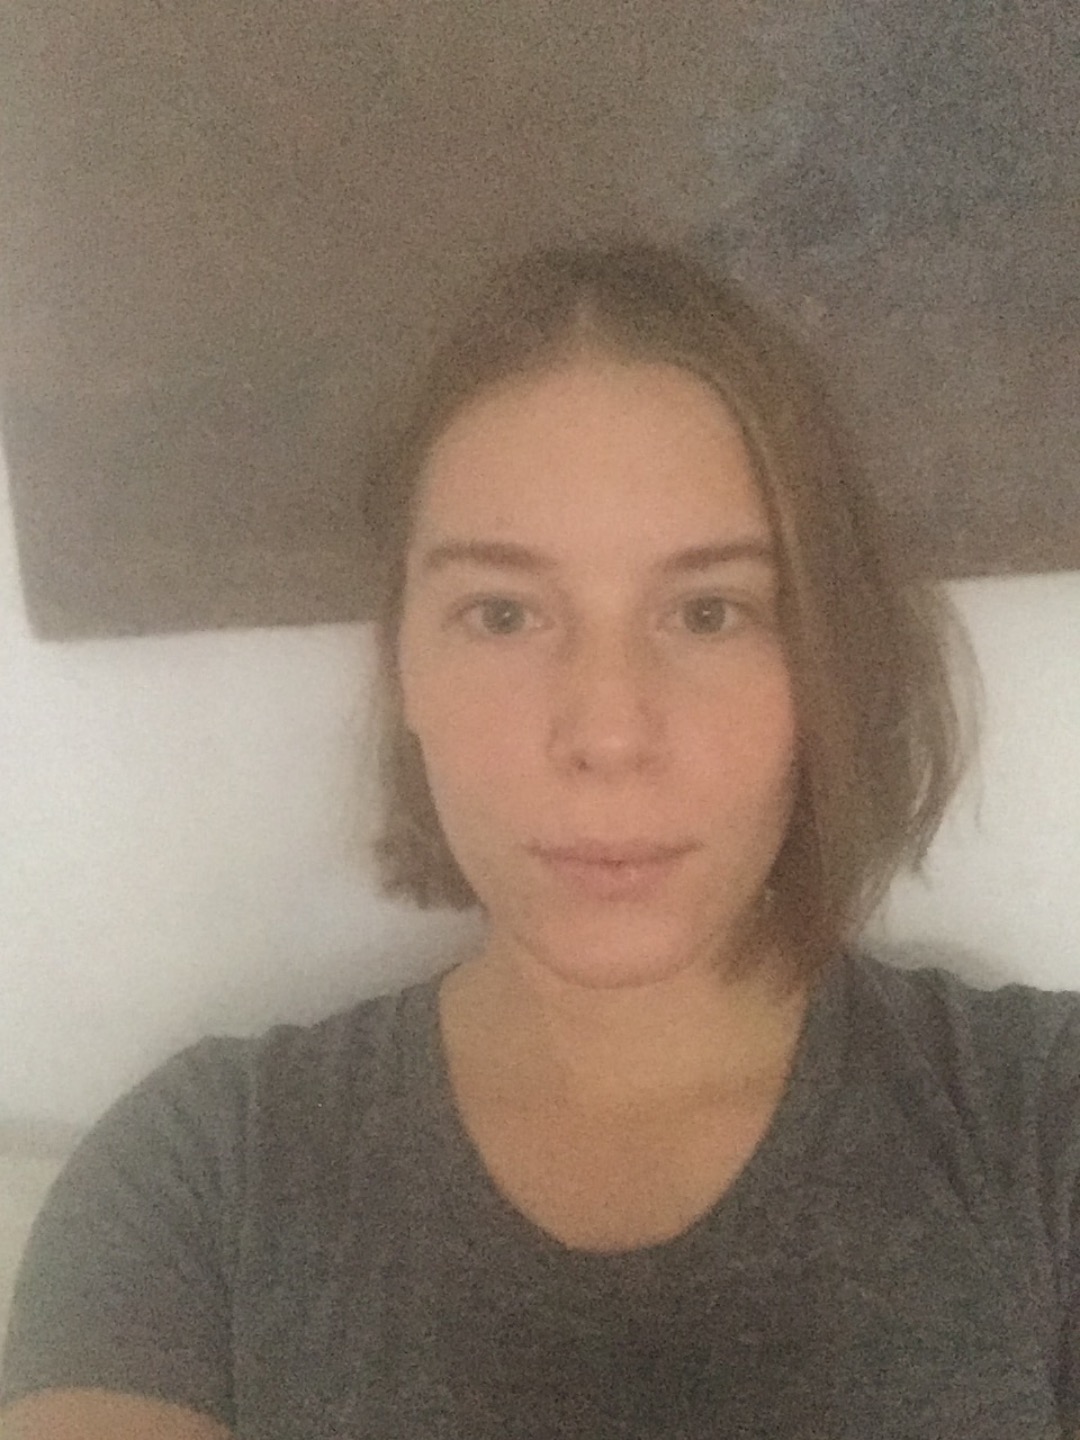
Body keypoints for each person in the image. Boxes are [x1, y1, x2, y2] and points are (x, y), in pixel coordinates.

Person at [2, 239, 1077, 1439]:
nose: (608, 731)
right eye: (503, 614)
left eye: (709, 611)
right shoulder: (198, 1178)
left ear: (830, 662)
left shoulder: (1046, 1126)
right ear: (402, 666)